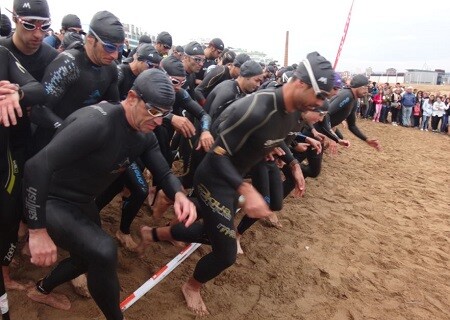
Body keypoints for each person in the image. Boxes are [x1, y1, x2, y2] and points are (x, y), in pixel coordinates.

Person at [137, 51, 335, 316]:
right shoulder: (256, 109)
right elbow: (216, 155)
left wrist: (291, 163)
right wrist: (246, 189)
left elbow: (274, 139)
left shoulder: (295, 112)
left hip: (234, 178)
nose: (320, 104)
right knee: (226, 253)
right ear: (300, 84)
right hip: (214, 178)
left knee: (212, 232)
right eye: (320, 96)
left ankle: (153, 233)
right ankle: (192, 287)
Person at [23, 69, 197, 320]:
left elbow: (164, 172)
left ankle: (42, 289)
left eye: (165, 114)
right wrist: (36, 230)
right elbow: (36, 166)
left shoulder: (144, 133)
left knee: (86, 258)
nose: (159, 121)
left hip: (81, 201)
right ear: (132, 97)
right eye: (154, 111)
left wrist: (179, 195)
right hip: (50, 199)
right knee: (105, 250)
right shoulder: (96, 123)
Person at [31, 10, 124, 153]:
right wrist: (69, 130)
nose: (115, 55)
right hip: (49, 141)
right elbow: (38, 110)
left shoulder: (111, 68)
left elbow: (114, 106)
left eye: (119, 48)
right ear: (91, 39)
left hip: (79, 140)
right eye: (109, 47)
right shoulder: (68, 63)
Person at [0, 44, 46, 291]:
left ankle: (5, 275)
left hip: (4, 158)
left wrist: (17, 93)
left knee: (9, 216)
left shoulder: (2, 55)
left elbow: (38, 89)